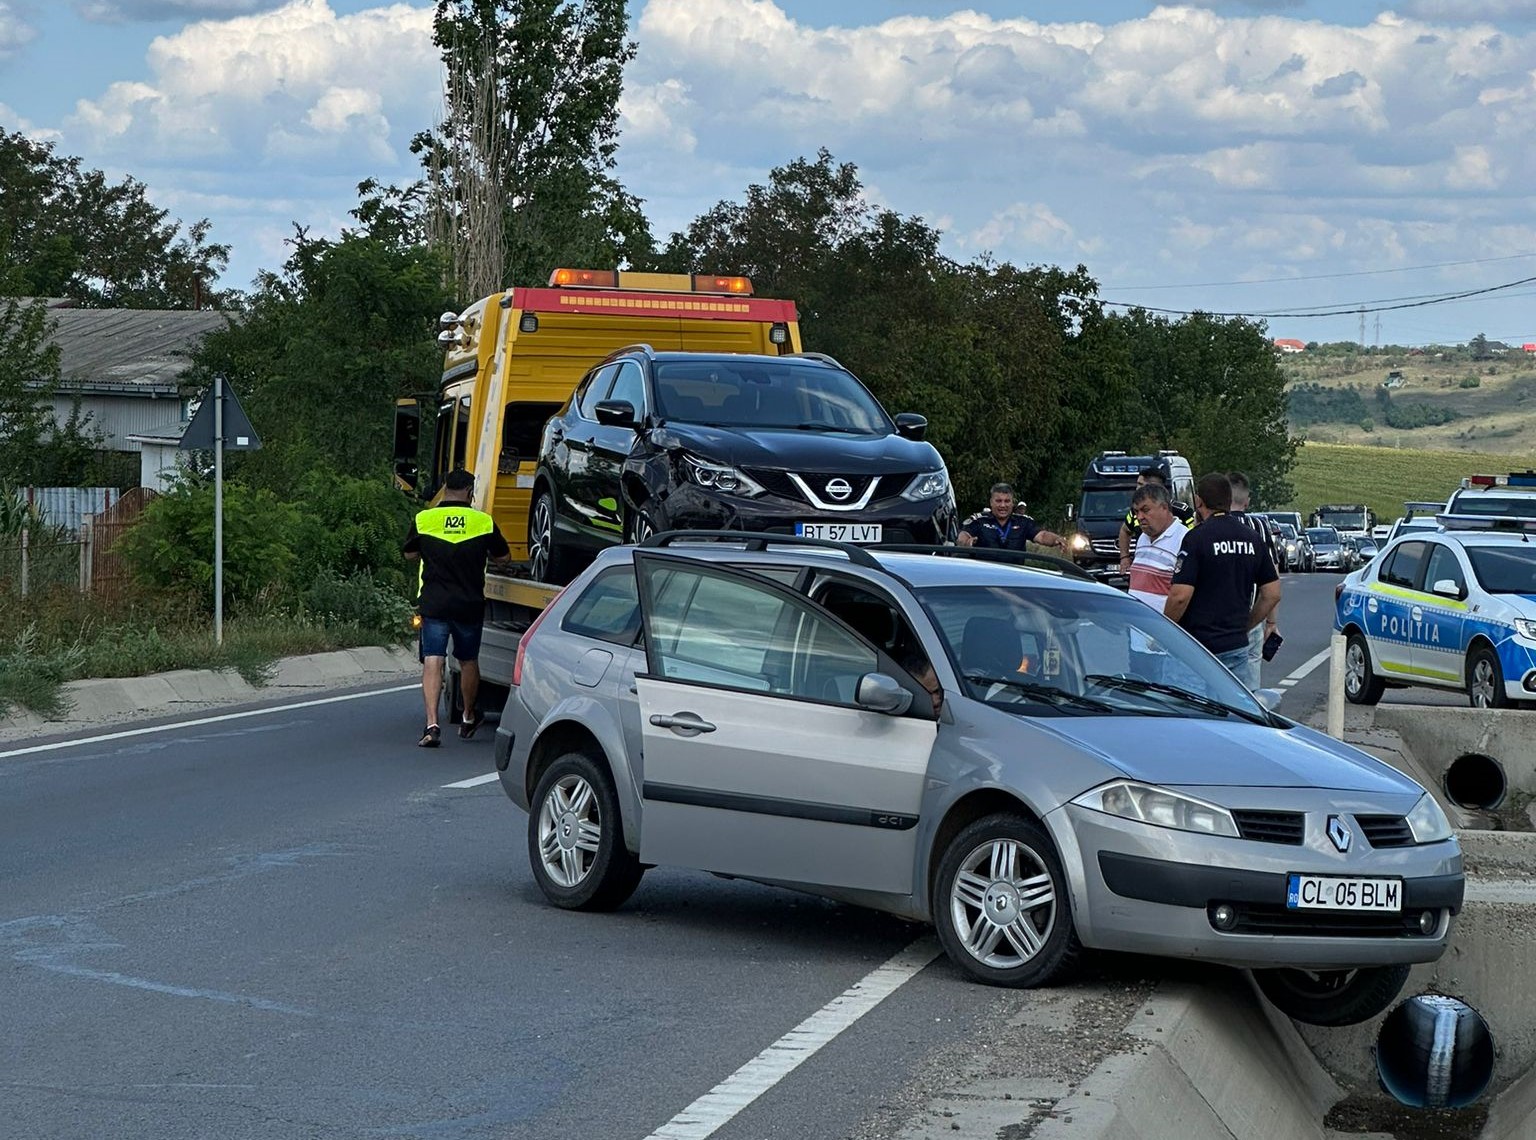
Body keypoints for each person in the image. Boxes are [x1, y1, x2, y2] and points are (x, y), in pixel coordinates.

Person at [403, 469, 510, 747]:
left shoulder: (425, 519)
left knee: (433, 660)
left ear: (445, 489)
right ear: (470, 492)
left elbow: (409, 553)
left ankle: (432, 725)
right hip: (468, 604)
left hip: (435, 604)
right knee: (467, 661)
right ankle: (468, 717)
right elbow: (504, 558)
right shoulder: (483, 522)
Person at [1164, 472, 1280, 690]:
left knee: (1194, 714)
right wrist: (1247, 624)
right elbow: (1272, 593)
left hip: (1198, 646)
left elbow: (1180, 597)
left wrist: (1165, 629)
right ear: (1229, 500)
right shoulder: (1252, 538)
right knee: (1231, 714)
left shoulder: (1196, 538)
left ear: (1199, 501)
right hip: (1235, 645)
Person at [1227, 471, 1282, 674]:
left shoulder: (1209, 526)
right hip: (1253, 616)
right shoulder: (1259, 526)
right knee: (1250, 683)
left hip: (1217, 620)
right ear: (1247, 501)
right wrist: (1271, 621)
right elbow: (1272, 580)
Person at [1117, 466, 1194, 573]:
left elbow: (1195, 538)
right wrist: (1124, 557)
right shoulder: (1136, 512)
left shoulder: (1182, 512)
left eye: (1140, 485)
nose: (1136, 488)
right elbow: (1125, 531)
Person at [957, 483, 1067, 551]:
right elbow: (963, 535)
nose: (1003, 505)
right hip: (985, 575)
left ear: (1012, 503)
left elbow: (1042, 536)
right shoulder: (979, 520)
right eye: (998, 501)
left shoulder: (1024, 522)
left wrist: (1056, 539)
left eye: (1007, 501)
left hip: (1014, 576)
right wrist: (966, 543)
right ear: (991, 502)